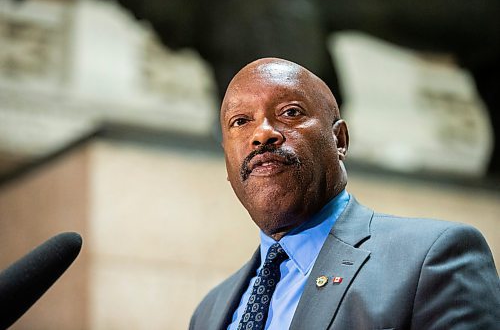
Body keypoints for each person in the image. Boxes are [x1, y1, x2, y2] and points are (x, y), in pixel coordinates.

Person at [189, 58, 500, 330]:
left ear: (339, 140)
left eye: (290, 112)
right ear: (227, 163)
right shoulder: (210, 311)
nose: (262, 133)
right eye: (241, 121)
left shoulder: (432, 259)